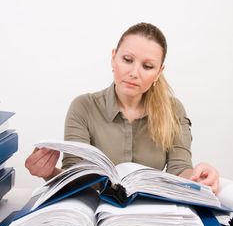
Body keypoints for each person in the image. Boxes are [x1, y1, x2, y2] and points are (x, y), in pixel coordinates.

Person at [25, 22, 219, 193]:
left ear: (159, 72)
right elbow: (73, 173)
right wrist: (49, 172)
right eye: (127, 60)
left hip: (150, 213)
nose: (134, 73)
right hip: (97, 212)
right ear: (113, 58)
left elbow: (179, 170)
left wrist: (197, 177)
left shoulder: (173, 109)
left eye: (148, 66)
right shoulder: (83, 106)